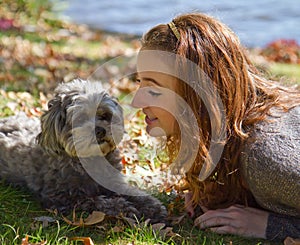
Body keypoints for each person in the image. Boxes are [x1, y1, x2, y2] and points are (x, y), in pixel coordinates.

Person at [130, 12, 300, 242]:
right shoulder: (240, 124)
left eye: (154, 89)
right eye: (140, 82)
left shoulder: (267, 159)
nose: (136, 102)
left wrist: (272, 226)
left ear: (200, 96)